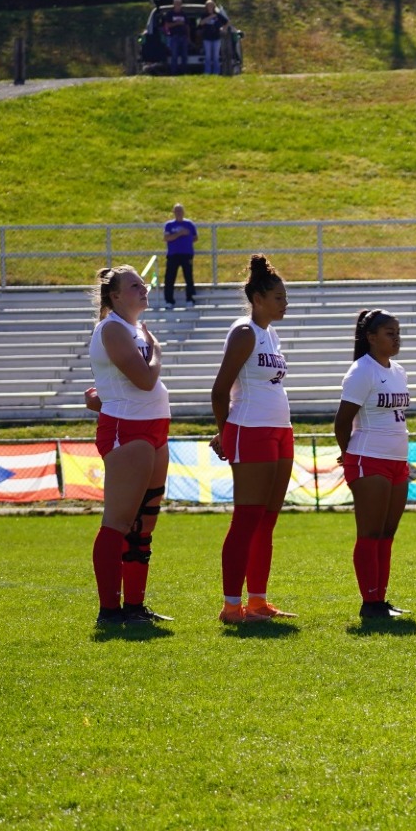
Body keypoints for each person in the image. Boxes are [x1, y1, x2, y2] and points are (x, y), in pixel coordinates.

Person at [207, 255, 296, 626]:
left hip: (280, 430)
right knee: (246, 520)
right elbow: (220, 389)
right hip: (251, 429)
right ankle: (231, 607)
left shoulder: (270, 334)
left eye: (285, 296)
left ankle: (258, 602)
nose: (284, 303)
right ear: (258, 299)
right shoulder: (244, 332)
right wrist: (225, 432)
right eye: (278, 297)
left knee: (267, 521)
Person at [86, 265, 173, 627]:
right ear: (115, 296)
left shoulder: (134, 329)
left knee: (144, 524)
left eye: (143, 284)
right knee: (118, 523)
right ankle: (110, 611)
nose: (143, 289)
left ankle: (135, 607)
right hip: (128, 429)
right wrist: (156, 352)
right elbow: (144, 380)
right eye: (134, 286)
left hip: (154, 428)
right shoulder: (111, 327)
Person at [337, 309, 413, 621]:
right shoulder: (361, 371)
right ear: (371, 337)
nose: (396, 338)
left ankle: (380, 599)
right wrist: (349, 454)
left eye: (397, 332)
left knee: (386, 533)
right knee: (369, 533)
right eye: (389, 333)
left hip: (398, 460)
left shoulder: (398, 370)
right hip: (369, 458)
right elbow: (342, 421)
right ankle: (369, 604)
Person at [163, 204, 197, 308]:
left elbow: (195, 237)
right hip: (173, 254)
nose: (178, 213)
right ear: (173, 212)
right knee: (169, 277)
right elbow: (166, 238)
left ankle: (190, 299)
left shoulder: (189, 224)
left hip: (186, 254)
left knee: (188, 277)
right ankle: (169, 301)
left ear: (183, 212)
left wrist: (187, 238)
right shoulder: (169, 225)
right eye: (176, 211)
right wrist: (179, 234)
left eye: (180, 211)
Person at [199, 0, 226, 76]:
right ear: (206, 7)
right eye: (208, 6)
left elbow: (227, 22)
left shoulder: (218, 15)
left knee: (216, 56)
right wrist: (210, 16)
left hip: (216, 38)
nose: (210, 7)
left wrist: (223, 29)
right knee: (208, 56)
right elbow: (201, 23)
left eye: (211, 6)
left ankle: (216, 72)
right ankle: (207, 72)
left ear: (213, 6)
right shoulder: (204, 15)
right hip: (207, 38)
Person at [163, 0, 189, 72]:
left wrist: (188, 37)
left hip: (184, 37)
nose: (178, 5)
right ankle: (174, 72)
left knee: (184, 55)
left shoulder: (184, 14)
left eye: (179, 3)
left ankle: (184, 72)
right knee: (174, 55)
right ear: (173, 4)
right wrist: (177, 23)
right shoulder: (170, 14)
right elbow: (167, 25)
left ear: (181, 4)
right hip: (174, 37)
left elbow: (187, 26)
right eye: (176, 3)